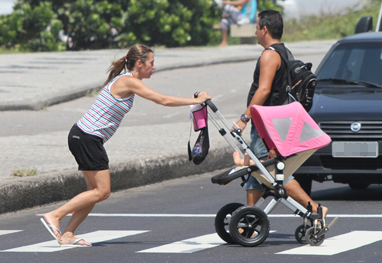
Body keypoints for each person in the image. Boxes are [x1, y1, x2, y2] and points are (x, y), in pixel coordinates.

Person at [40, 44, 211, 247]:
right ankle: (54, 215)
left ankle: (68, 234)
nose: (154, 67)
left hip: (83, 136)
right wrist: (196, 100)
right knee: (102, 192)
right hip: (88, 137)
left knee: (93, 193)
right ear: (140, 63)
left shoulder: (127, 80)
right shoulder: (129, 81)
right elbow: (162, 100)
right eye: (151, 63)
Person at [234, 10, 327, 216]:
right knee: (257, 170)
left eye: (257, 27)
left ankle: (315, 208)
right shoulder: (285, 53)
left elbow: (264, 90)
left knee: (269, 170)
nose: (256, 31)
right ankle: (249, 217)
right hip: (274, 122)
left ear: (264, 29)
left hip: (265, 123)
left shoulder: (269, 55)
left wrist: (243, 118)